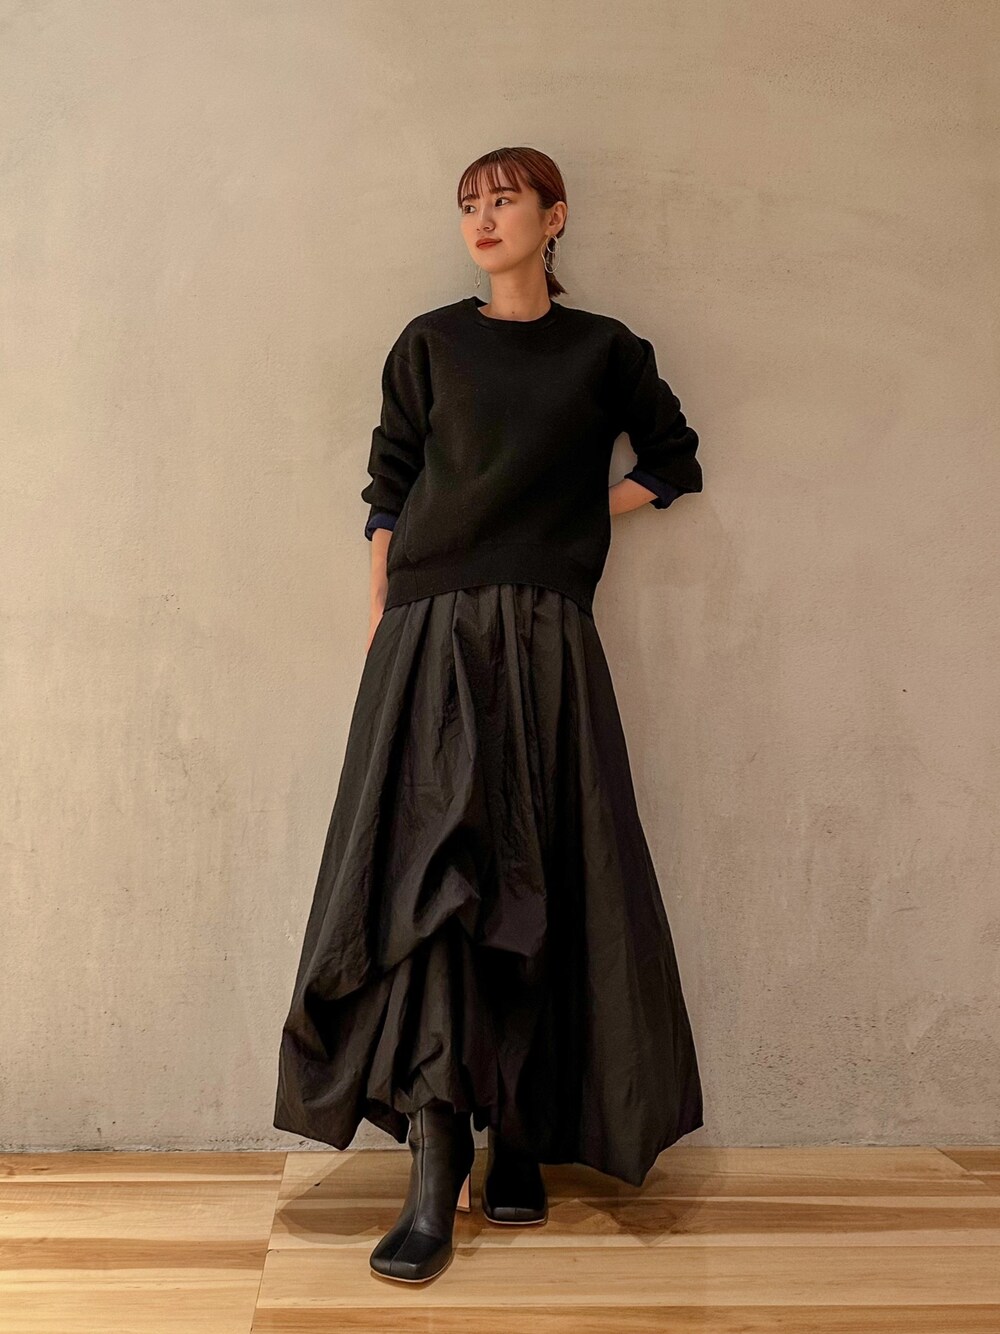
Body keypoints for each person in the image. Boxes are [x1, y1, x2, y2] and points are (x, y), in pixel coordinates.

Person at [273, 145, 705, 1284]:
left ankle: (520, 1132)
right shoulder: (429, 343)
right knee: (429, 885)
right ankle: (434, 1159)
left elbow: (674, 462)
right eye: (469, 202)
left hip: (548, 635)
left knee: (544, 870)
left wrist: (571, 517)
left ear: (554, 217)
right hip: (430, 634)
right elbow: (389, 484)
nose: (483, 218)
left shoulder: (604, 350)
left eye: (505, 199)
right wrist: (382, 610)